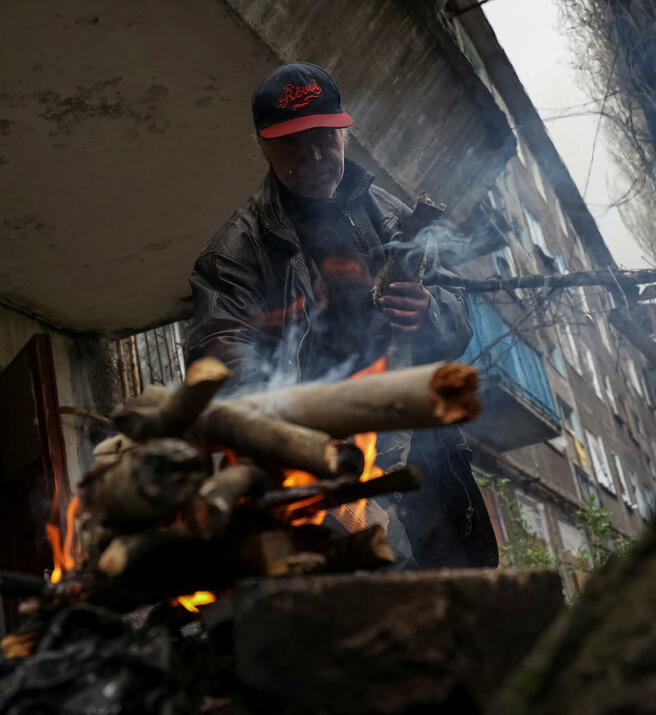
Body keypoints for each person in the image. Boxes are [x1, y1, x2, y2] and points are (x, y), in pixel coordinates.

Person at [186, 62, 497, 569]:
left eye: (324, 139)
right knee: (389, 591)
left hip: (425, 451)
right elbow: (222, 364)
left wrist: (430, 312)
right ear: (263, 146)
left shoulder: (389, 212)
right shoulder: (235, 254)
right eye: (292, 144)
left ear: (344, 133)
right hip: (330, 466)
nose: (313, 157)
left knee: (463, 587)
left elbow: (456, 316)